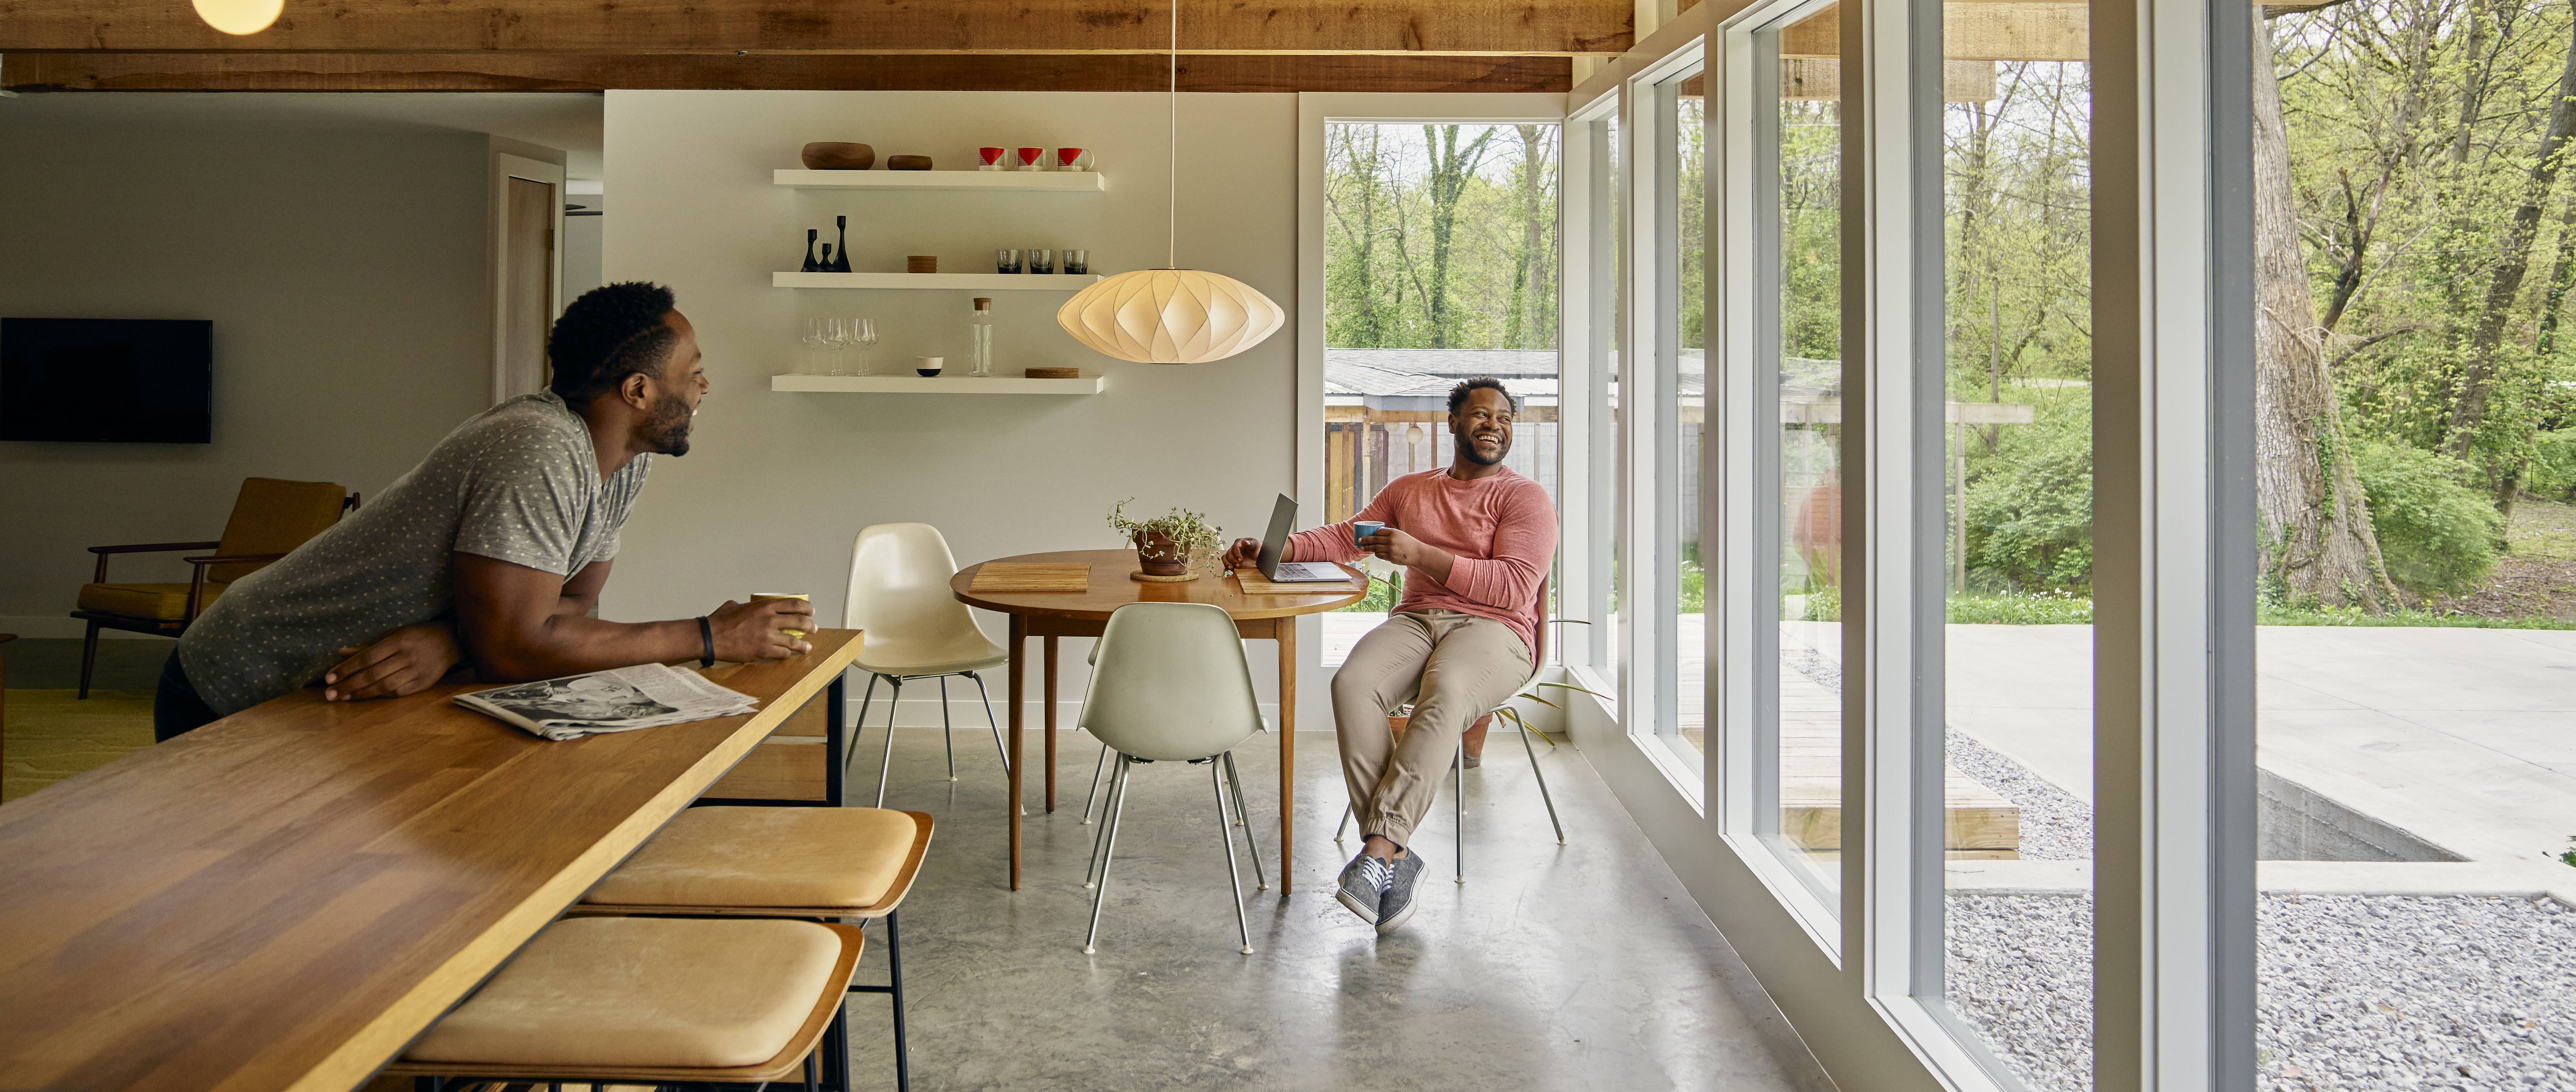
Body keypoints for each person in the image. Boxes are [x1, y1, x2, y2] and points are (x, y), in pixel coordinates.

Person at [156, 282, 812, 741]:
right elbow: (518, 650)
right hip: (240, 680)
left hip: (344, 694)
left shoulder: (624, 461)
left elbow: (571, 604)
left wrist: (450, 640)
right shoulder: (537, 445)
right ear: (639, 390)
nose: (704, 387)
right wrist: (711, 636)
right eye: (693, 372)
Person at [1223, 377, 1556, 935]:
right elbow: (1348, 536)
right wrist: (1274, 550)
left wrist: (1423, 553)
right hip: (1419, 619)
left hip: (1496, 629)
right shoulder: (1410, 490)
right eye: (1479, 415)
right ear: (1452, 423)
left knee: (1446, 691)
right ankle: (1396, 859)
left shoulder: (1524, 498)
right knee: (1352, 683)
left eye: (1503, 417)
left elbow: (1516, 587)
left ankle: (1378, 848)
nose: (1492, 425)